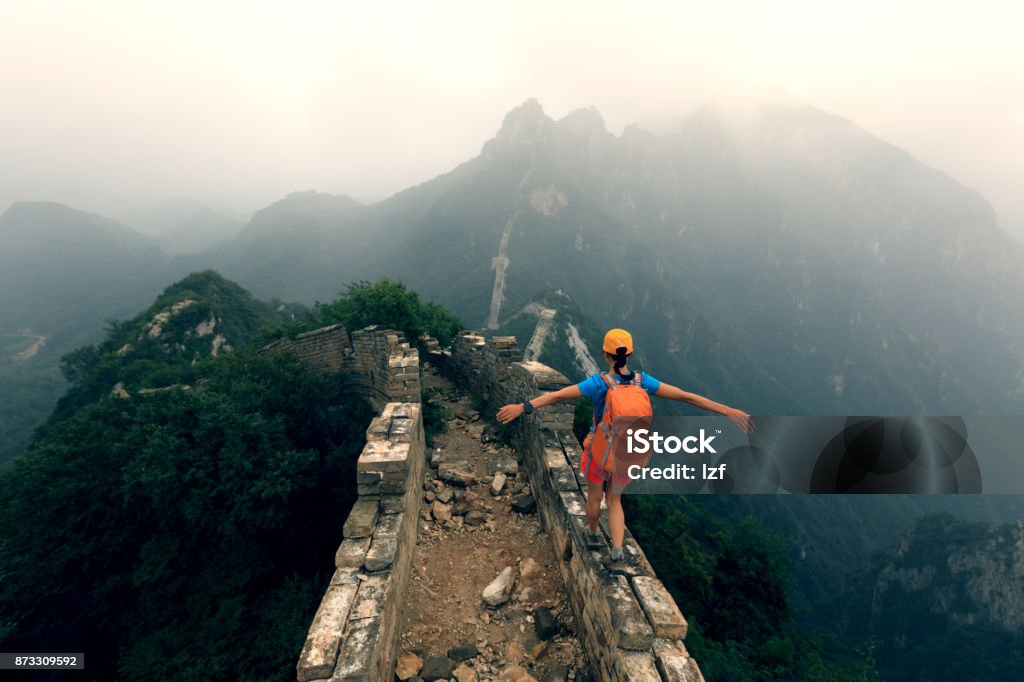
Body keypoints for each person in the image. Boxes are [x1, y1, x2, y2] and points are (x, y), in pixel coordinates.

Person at [496, 328, 755, 563]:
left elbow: (558, 395)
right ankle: (618, 551)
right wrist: (727, 410)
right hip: (629, 454)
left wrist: (524, 406)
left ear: (605, 354)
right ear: (629, 354)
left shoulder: (598, 383)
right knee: (615, 499)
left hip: (599, 452)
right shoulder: (643, 382)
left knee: (595, 497)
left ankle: (594, 534)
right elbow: (685, 396)